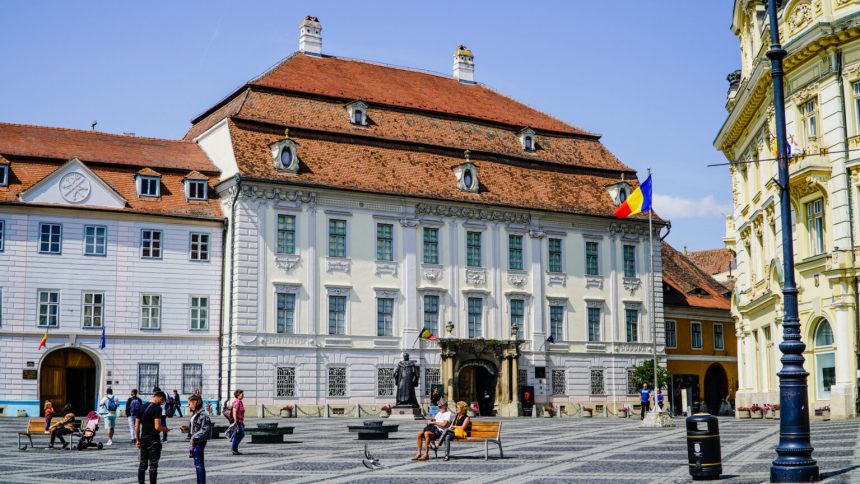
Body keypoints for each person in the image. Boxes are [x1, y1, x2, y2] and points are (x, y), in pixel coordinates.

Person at [136, 391, 170, 484]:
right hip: (153, 440)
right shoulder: (157, 409)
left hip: (143, 439)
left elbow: (136, 426)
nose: (162, 403)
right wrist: (165, 429)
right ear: (160, 398)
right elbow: (157, 427)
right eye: (162, 401)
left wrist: (138, 439)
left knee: (142, 465)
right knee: (153, 466)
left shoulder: (141, 407)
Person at [180, 394, 212, 484]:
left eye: (189, 403)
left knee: (199, 464)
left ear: (195, 402)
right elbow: (196, 428)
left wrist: (194, 437)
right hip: (195, 441)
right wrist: (187, 428)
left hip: (199, 441)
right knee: (197, 464)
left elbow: (205, 429)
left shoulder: (203, 415)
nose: (188, 405)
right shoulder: (195, 414)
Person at [230, 390, 245, 455]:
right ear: (238, 395)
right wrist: (235, 421)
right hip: (237, 421)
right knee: (240, 434)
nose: (243, 396)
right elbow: (234, 411)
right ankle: (234, 449)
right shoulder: (237, 402)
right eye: (242, 394)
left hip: (240, 421)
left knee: (238, 435)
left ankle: (235, 449)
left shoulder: (240, 402)